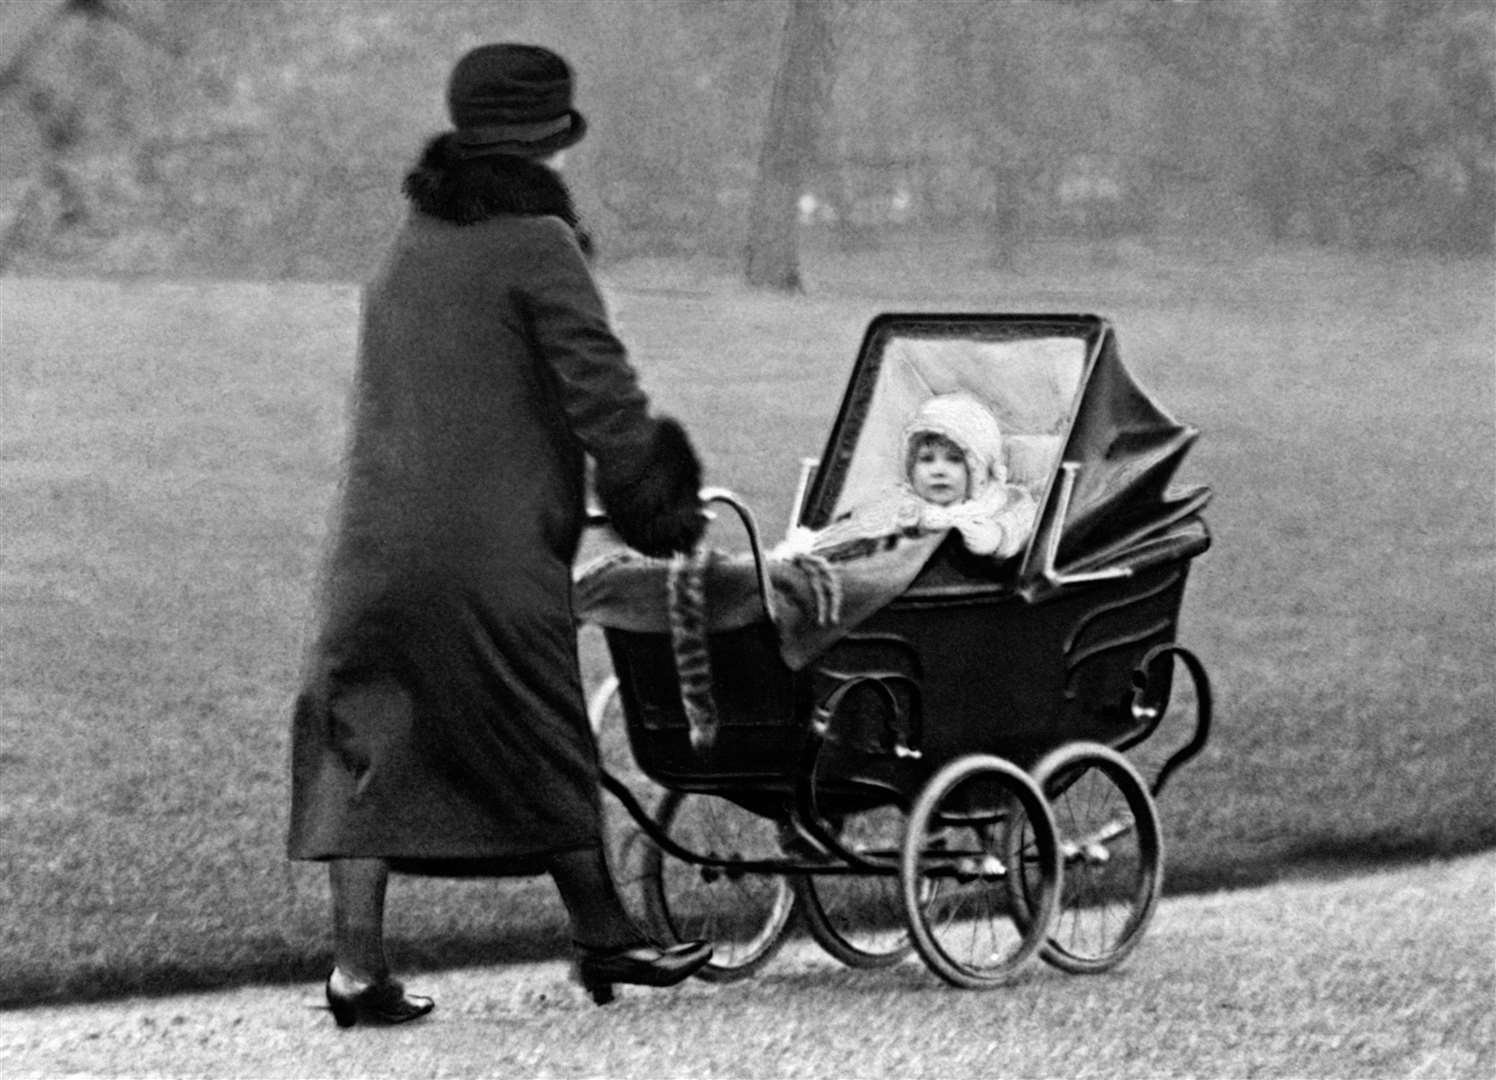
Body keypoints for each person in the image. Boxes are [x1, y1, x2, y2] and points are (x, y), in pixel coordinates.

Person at [286, 43, 712, 1027]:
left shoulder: (411, 240)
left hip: (373, 548)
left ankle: (356, 972)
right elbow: (603, 398)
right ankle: (605, 937)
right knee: (537, 724)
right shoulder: (536, 243)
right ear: (550, 144)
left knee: (368, 739)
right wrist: (656, 501)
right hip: (489, 554)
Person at [784, 391, 1037, 566]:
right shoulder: (902, 501)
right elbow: (859, 528)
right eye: (926, 459)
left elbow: (1026, 520)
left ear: (979, 469)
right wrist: (816, 546)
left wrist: (998, 537)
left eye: (954, 460)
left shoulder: (998, 502)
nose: (938, 470)